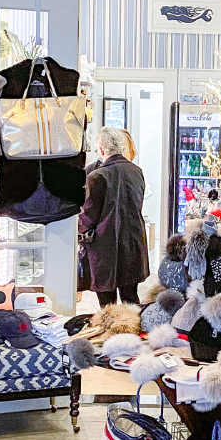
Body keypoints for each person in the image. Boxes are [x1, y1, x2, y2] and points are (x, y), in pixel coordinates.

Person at [79, 126, 148, 307]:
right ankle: (133, 325)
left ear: (101, 150)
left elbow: (88, 216)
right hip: (133, 242)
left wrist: (80, 232)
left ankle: (111, 325)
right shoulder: (136, 172)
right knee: (131, 299)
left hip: (103, 247)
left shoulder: (96, 176)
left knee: (106, 303)